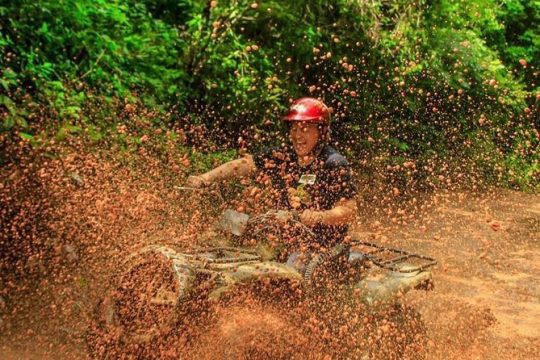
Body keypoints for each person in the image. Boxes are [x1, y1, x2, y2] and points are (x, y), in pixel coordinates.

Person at [187, 97, 357, 275]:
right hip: (284, 238)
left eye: (305, 129)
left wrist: (317, 217)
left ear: (321, 131)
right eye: (294, 128)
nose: (297, 136)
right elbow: (245, 164)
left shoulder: (334, 163)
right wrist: (205, 178)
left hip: (322, 246)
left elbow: (349, 211)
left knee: (289, 273)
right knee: (231, 227)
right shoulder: (284, 155)